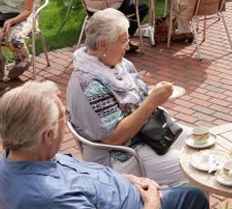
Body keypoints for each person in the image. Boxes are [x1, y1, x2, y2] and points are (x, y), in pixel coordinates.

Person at [0, 80, 208, 209]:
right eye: (65, 116)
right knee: (194, 198)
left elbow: (77, 176)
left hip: (126, 191)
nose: (68, 121)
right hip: (140, 203)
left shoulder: (19, 152)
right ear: (49, 135)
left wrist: (126, 179)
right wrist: (151, 203)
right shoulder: (52, 198)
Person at [67, 11, 191, 187]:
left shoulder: (118, 64)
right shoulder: (87, 83)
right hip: (122, 154)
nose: (127, 46)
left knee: (203, 144)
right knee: (192, 171)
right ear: (103, 45)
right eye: (123, 41)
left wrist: (153, 92)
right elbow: (114, 137)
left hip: (149, 134)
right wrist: (151, 101)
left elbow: (135, 96)